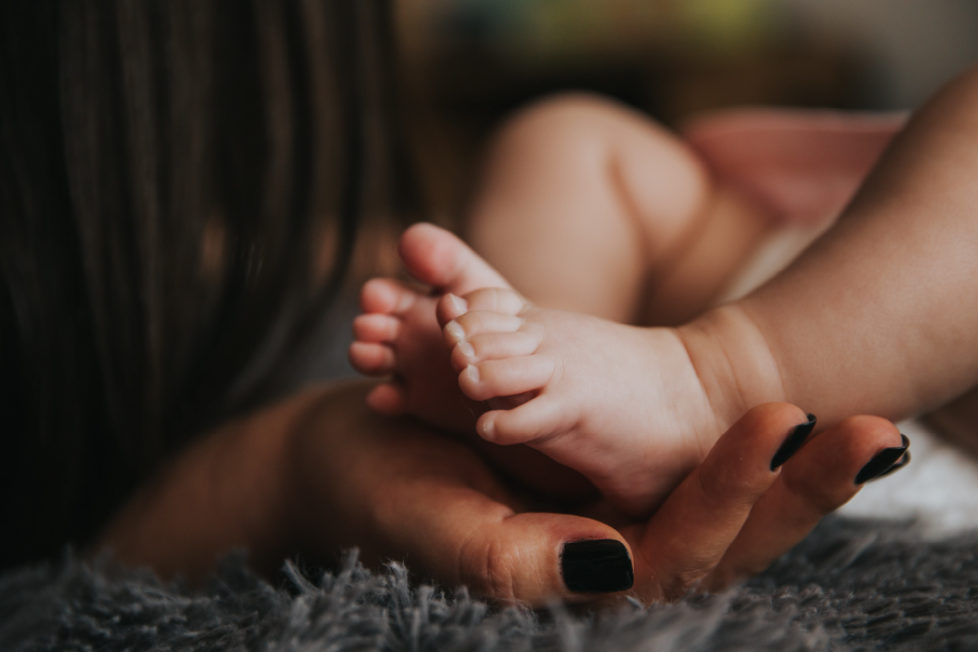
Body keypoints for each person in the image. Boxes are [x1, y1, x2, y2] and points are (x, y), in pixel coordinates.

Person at [1, 0, 907, 607]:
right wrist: (286, 466)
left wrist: (285, 461)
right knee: (560, 136)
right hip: (763, 256)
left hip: (901, 316)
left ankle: (643, 390)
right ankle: (554, 407)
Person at [351, 43, 978, 517]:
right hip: (790, 268)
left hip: (977, 406)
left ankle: (710, 383)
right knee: (567, 137)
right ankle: (544, 389)